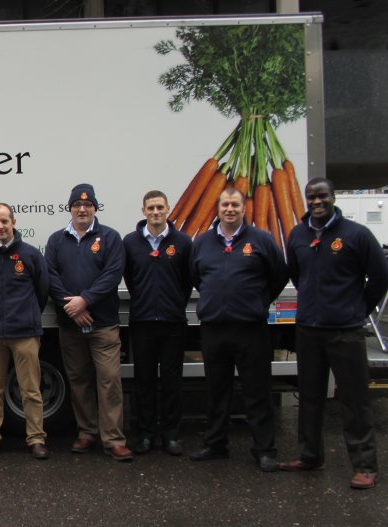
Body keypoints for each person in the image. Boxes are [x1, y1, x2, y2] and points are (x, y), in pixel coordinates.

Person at [278, 178, 388, 490]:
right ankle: (311, 455)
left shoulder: (356, 234)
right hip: (309, 329)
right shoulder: (298, 235)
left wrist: (357, 309)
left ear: (332, 197)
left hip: (345, 331)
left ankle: (365, 465)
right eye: (311, 197)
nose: (316, 202)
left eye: (322, 196)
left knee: (354, 399)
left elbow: (380, 276)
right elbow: (298, 275)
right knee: (310, 397)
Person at [188, 187, 288, 472]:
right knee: (217, 390)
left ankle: (265, 449)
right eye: (225, 205)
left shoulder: (262, 240)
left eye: (235, 205)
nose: (229, 209)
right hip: (214, 329)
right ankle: (216, 444)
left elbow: (279, 275)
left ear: (244, 209)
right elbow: (196, 277)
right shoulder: (203, 243)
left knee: (257, 391)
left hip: (251, 329)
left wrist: (257, 300)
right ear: (217, 209)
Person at [46, 184, 132, 462]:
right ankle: (86, 433)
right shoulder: (56, 240)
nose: (82, 209)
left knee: (109, 381)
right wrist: (73, 309)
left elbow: (112, 274)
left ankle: (114, 439)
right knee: (79, 381)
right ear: (69, 209)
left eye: (87, 205)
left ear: (95, 208)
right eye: (76, 205)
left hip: (103, 324)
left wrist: (85, 301)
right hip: (71, 326)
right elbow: (50, 277)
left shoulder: (110, 237)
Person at [122, 190, 192, 456]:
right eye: (150, 208)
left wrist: (173, 302)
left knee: (173, 382)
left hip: (173, 322)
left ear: (168, 209)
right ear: (143, 211)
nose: (155, 212)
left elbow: (187, 281)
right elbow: (129, 277)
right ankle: (147, 435)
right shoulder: (130, 243)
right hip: (142, 322)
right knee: (145, 382)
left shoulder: (183, 242)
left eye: (160, 207)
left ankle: (171, 435)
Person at [0, 203, 49, 460]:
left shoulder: (30, 254)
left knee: (30, 390)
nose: (0, 226)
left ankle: (36, 439)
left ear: (13, 222)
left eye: (4, 221)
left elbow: (42, 290)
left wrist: (27, 315)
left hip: (25, 334)